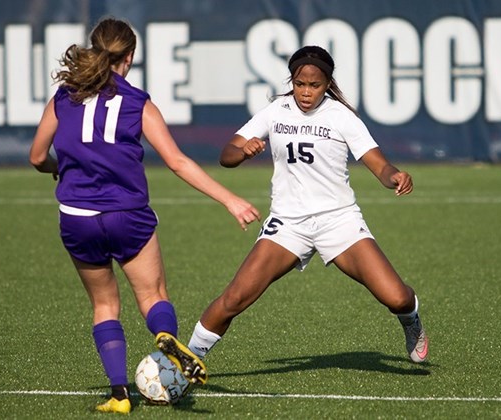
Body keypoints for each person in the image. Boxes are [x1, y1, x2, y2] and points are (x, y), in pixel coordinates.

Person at [29, 17, 260, 414]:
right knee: (152, 296)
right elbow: (177, 161)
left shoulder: (64, 97)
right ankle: (166, 336)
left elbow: (35, 157)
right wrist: (230, 200)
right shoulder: (137, 102)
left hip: (77, 216)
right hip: (127, 215)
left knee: (104, 306)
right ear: (130, 56)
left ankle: (119, 396)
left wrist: (56, 168)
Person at [186, 46, 429, 367]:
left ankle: (411, 319)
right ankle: (184, 362)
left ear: (327, 83)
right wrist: (244, 151)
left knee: (396, 297)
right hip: (288, 224)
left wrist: (395, 175)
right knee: (234, 298)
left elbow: (378, 165)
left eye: (314, 85)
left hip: (338, 221)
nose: (305, 92)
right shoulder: (275, 111)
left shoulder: (341, 117)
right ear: (292, 81)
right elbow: (226, 154)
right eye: (300, 84)